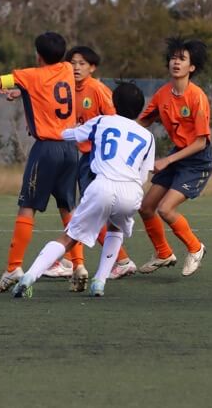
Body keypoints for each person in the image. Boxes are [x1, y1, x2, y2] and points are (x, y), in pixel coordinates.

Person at [12, 82, 154, 298]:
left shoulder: (102, 121)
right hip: (132, 190)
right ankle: (99, 282)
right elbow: (145, 174)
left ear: (113, 103)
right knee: (115, 230)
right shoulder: (147, 136)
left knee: (70, 237)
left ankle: (29, 277)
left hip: (103, 185)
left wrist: (41, 129)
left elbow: (69, 135)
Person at [0, 32, 85, 293]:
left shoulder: (30, 75)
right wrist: (22, 92)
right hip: (70, 148)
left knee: (27, 206)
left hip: (46, 149)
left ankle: (13, 267)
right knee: (68, 208)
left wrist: (0, 85)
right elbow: (46, 91)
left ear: (38, 55)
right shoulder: (66, 69)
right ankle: (79, 265)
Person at [136, 37, 212, 277]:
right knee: (146, 208)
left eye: (182, 59)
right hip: (176, 156)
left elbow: (200, 142)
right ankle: (163, 253)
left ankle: (196, 248)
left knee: (166, 209)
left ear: (192, 67)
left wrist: (167, 160)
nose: (175, 63)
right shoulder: (162, 95)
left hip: (196, 160)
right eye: (173, 58)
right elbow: (143, 122)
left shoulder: (196, 96)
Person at [65, 45, 136, 279]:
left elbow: (114, 120)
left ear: (92, 67)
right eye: (73, 62)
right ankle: (118, 260)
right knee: (92, 209)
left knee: (92, 208)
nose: (76, 67)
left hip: (97, 158)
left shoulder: (97, 89)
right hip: (81, 156)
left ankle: (72, 260)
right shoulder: (67, 89)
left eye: (82, 63)